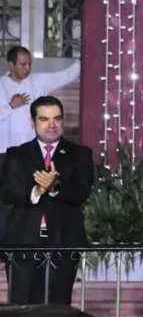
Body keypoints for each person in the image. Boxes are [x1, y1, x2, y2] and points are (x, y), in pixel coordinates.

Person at [0, 95, 93, 304]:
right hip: (23, 242)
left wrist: (54, 187)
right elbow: (7, 191)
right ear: (32, 122)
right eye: (44, 119)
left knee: (58, 308)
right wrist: (36, 190)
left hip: (64, 241)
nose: (52, 125)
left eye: (57, 119)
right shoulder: (16, 154)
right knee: (22, 307)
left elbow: (82, 191)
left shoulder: (80, 154)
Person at [0, 46, 80, 242]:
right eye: (22, 64)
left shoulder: (37, 81)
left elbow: (68, 74)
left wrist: (84, 55)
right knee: (6, 201)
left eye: (29, 64)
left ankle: (32, 243)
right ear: (10, 64)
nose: (27, 68)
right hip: (3, 155)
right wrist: (11, 106)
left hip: (31, 154)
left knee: (33, 199)